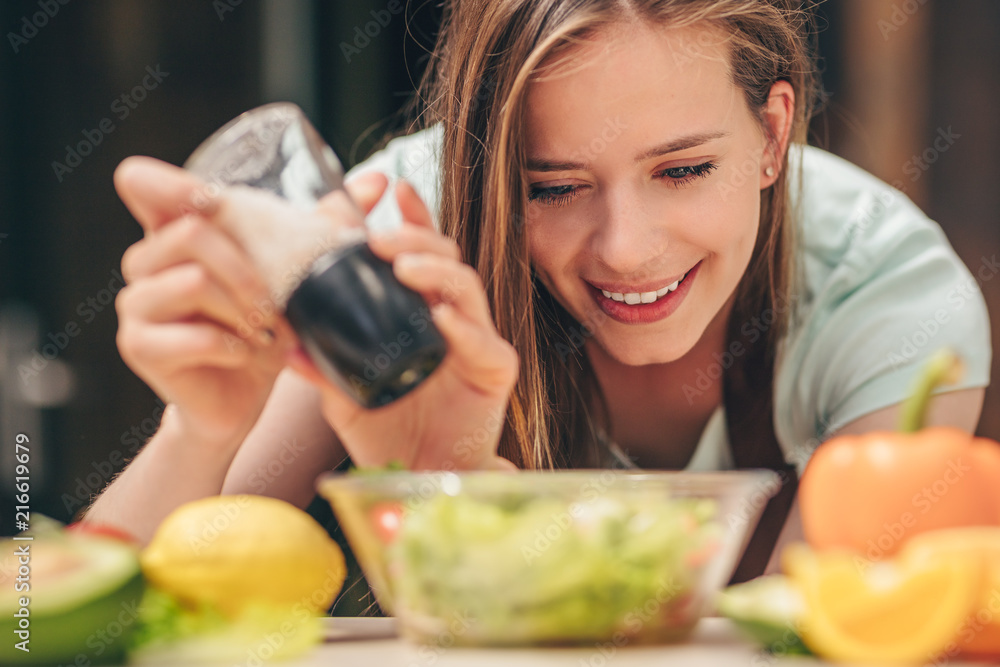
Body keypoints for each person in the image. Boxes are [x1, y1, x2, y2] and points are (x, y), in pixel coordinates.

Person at [85, 0, 991, 578]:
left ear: (770, 131)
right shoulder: (408, 231)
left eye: (681, 171)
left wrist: (471, 485)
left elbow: (799, 642)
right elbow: (70, 626)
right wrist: (197, 430)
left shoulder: (891, 303)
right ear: (480, 175)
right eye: (551, 187)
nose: (627, 249)